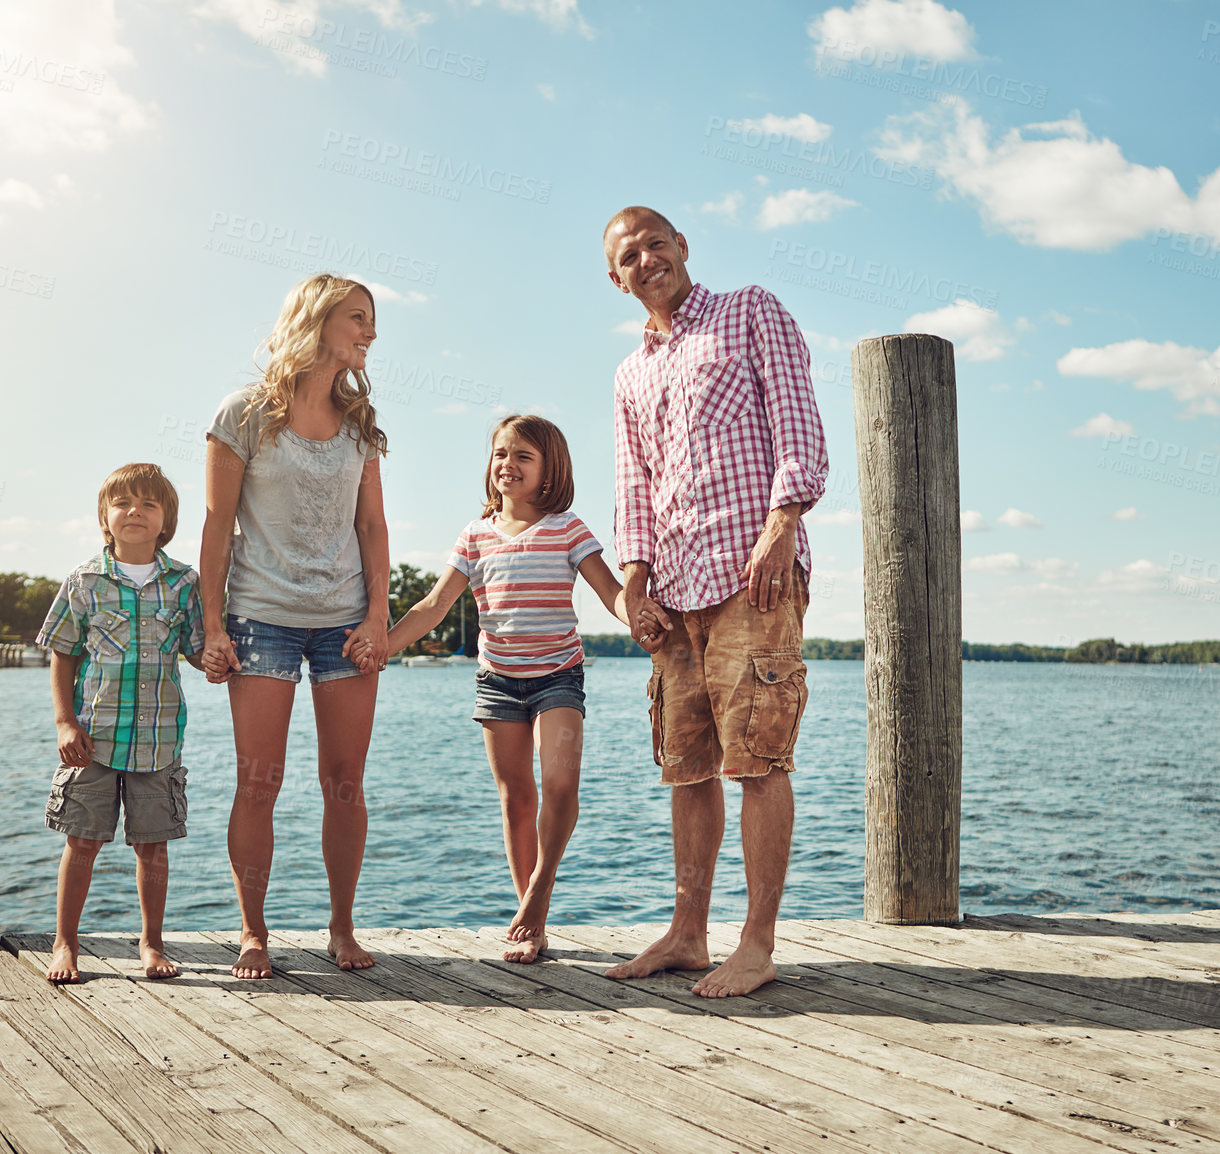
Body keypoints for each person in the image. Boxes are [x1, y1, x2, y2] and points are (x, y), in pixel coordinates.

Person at [602, 205, 828, 998]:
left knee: (758, 757)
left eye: (656, 244)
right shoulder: (630, 373)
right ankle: (688, 933)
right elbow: (633, 483)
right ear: (616, 277)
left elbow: (799, 424)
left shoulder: (750, 310)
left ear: (683, 247)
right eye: (630, 256)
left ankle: (757, 945)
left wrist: (783, 525)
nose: (647, 260)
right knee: (687, 769)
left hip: (751, 576)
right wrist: (633, 581)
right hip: (671, 589)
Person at [383, 414, 656, 962]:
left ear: (549, 469)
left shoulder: (567, 527)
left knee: (559, 784)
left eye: (522, 457)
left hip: (558, 674)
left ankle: (539, 892)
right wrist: (383, 647)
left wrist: (640, 615)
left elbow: (610, 593)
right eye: (500, 454)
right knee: (516, 798)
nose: (507, 464)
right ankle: (531, 925)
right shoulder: (475, 534)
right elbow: (434, 606)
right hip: (498, 682)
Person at [200, 273, 390, 979]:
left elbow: (372, 527)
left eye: (371, 321)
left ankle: (342, 928)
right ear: (318, 320)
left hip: (345, 624)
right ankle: (255, 931)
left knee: (345, 781)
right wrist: (211, 624)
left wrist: (377, 616)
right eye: (359, 318)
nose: (370, 332)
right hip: (261, 620)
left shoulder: (361, 424)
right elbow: (218, 526)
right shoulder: (245, 413)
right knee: (259, 781)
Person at [37, 463, 205, 983]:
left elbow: (198, 651)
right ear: (106, 519)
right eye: (123, 503)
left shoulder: (184, 583)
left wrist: (223, 657)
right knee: (82, 842)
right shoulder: (84, 581)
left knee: (152, 845)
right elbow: (62, 654)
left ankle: (151, 944)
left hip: (158, 740)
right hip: (93, 739)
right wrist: (65, 723)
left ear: (165, 522)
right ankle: (66, 944)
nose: (135, 511)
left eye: (149, 505)